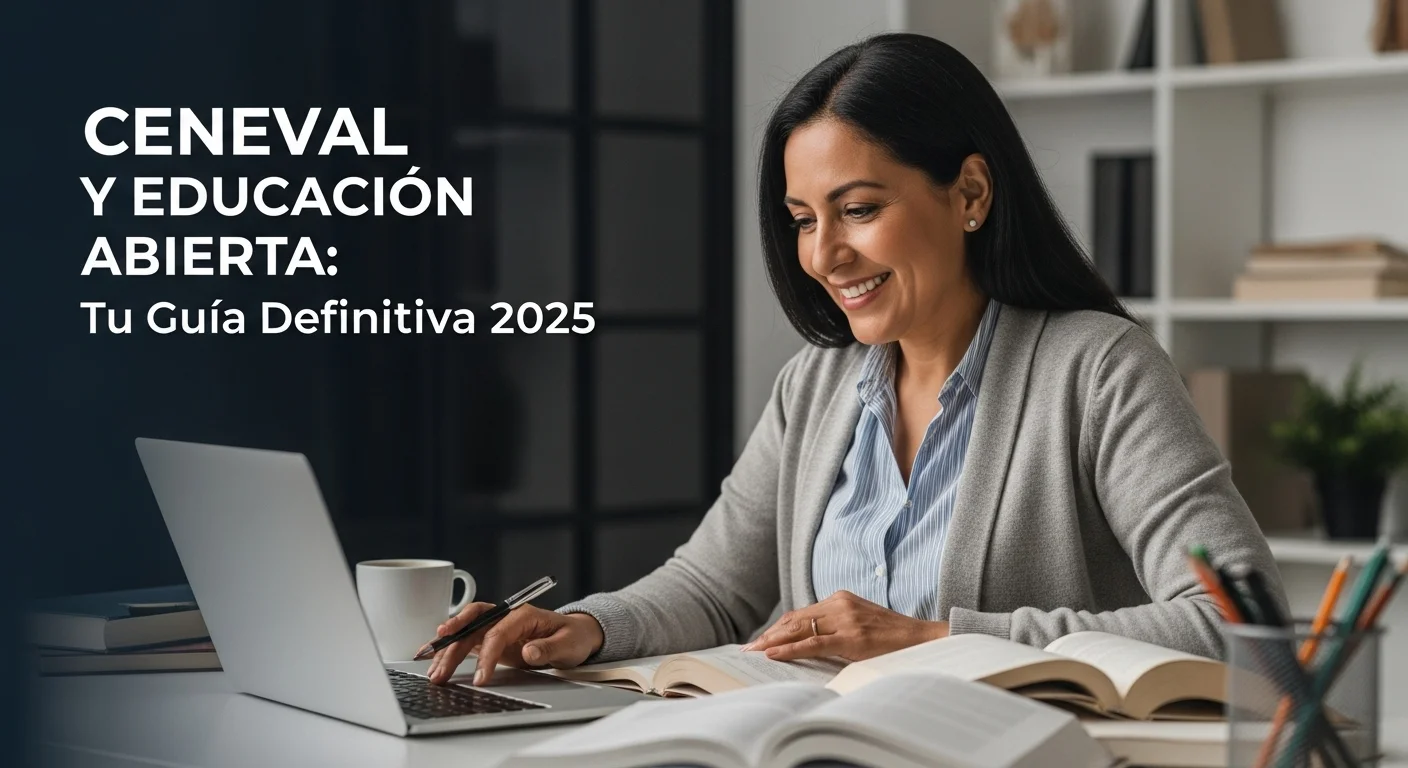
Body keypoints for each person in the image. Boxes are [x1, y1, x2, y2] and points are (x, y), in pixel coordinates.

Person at [427, 33, 1285, 688]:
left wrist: (936, 641)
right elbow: (713, 586)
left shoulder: (1098, 369)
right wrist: (583, 626)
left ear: (972, 195)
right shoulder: (819, 384)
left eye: (859, 208)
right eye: (804, 218)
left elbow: (1244, 624)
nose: (824, 254)